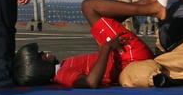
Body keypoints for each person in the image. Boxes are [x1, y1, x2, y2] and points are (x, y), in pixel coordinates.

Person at [12, 5, 154, 88]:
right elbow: (90, 82)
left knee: (105, 18)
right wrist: (107, 48)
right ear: (40, 68)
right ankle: (150, 7)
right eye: (41, 56)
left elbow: (99, 69)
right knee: (89, 7)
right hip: (127, 57)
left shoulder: (63, 67)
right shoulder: (63, 75)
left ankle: (148, 5)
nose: (45, 53)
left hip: (121, 58)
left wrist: (101, 44)